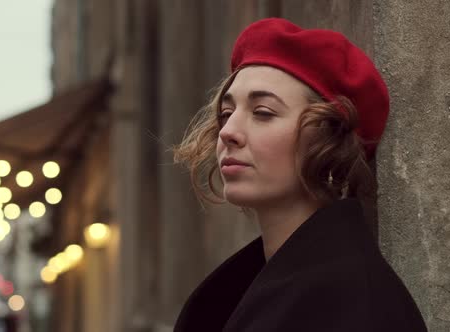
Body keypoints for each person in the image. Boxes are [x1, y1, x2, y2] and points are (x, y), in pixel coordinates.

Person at [172, 18, 427, 332]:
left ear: (328, 136)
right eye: (226, 114)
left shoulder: (355, 303)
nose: (228, 132)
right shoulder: (238, 293)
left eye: (263, 112)